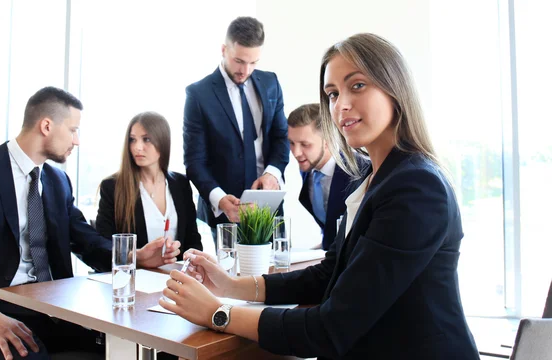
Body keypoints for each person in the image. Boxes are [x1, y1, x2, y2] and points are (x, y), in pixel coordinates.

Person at [159, 34, 481, 359]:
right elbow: (330, 273)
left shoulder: (416, 189)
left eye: (357, 86)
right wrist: (230, 285)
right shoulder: (374, 179)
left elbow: (332, 328)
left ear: (394, 88)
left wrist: (219, 313)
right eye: (332, 93)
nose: (340, 105)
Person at [0, 87, 165, 360]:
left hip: (51, 309)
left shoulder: (57, 181)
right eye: (73, 130)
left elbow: (84, 239)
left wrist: (132, 256)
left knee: (128, 350)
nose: (76, 140)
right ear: (46, 126)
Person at [183, 16, 289, 233]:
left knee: (277, 268)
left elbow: (281, 137)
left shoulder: (271, 83)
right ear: (224, 50)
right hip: (225, 211)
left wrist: (272, 174)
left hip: (268, 206)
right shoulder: (198, 94)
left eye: (253, 62)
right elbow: (194, 161)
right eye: (239, 61)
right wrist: (220, 200)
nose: (246, 70)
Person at [96, 111, 202, 261]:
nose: (137, 147)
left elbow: (194, 241)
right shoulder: (112, 187)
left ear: (163, 142)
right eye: (132, 140)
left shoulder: (181, 184)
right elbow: (103, 245)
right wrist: (137, 257)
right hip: (137, 276)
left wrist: (184, 255)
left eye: (146, 139)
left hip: (175, 276)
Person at [288, 103, 370, 250]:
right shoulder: (308, 169)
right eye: (292, 143)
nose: (296, 152)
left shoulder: (361, 170)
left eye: (305, 144)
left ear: (328, 141)